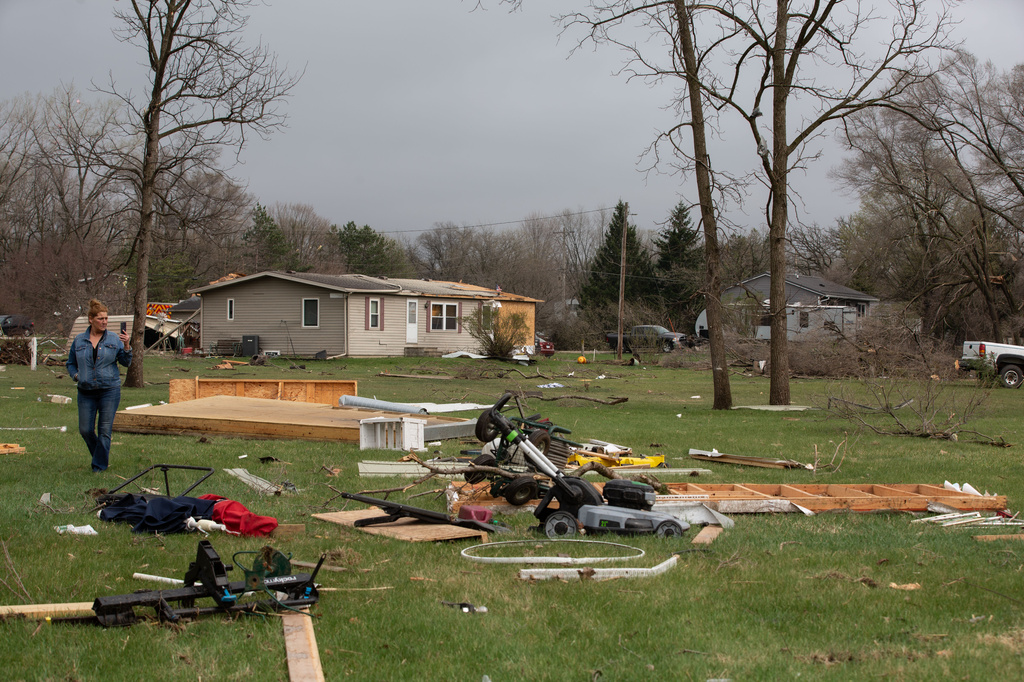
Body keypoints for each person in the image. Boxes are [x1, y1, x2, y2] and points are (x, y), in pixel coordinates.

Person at [66, 299, 132, 472]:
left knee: (104, 431)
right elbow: (70, 363)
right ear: (91, 319)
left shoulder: (114, 339)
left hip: (109, 390)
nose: (104, 322)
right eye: (100, 318)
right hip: (85, 391)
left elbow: (126, 362)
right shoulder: (79, 340)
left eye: (106, 319)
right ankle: (100, 456)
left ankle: (99, 467)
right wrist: (76, 376)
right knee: (85, 430)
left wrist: (126, 345)